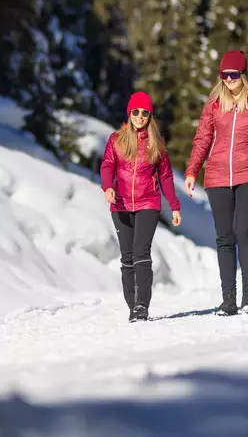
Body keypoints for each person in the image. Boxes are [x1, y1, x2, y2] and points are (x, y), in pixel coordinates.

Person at [183, 50, 248, 316]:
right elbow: (202, 140)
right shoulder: (214, 105)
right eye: (224, 74)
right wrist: (191, 171)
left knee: (243, 229)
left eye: (233, 74)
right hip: (218, 176)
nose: (228, 79)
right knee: (224, 237)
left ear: (243, 75)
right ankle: (228, 299)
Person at [101, 91, 182, 322]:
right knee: (127, 256)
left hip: (148, 202)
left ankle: (142, 306)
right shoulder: (116, 139)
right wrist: (108, 187)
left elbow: (166, 177)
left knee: (141, 251)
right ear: (129, 113)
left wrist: (174, 206)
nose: (139, 116)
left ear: (150, 116)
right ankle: (132, 304)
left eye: (144, 113)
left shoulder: (156, 143)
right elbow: (107, 166)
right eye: (135, 112)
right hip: (120, 204)